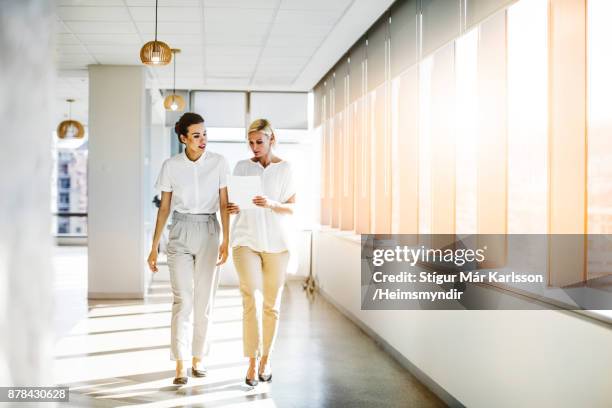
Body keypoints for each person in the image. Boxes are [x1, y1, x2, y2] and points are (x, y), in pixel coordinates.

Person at [147, 112, 230, 385]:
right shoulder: (171, 166)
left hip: (209, 230)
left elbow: (224, 205)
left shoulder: (219, 163)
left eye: (205, 133)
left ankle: (199, 358)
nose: (203, 139)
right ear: (183, 138)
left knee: (203, 301)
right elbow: (165, 208)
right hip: (180, 231)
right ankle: (180, 363)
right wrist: (154, 246)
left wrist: (226, 239)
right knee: (182, 299)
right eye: (196, 135)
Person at [226, 118, 296, 386]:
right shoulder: (242, 167)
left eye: (259, 141)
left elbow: (293, 208)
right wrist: (233, 207)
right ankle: (252, 362)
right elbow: (234, 202)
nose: (254, 147)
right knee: (251, 298)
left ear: (271, 139)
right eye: (251, 142)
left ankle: (267, 357)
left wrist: (271, 203)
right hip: (245, 240)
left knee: (271, 306)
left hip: (277, 244)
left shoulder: (285, 168)